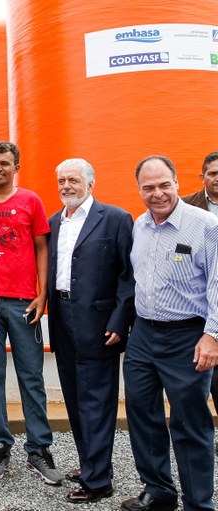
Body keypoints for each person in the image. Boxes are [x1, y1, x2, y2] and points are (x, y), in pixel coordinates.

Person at [122, 155, 218, 511]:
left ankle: (198, 504)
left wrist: (213, 335)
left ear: (177, 182)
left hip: (188, 336)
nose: (157, 193)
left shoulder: (206, 226)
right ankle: (159, 491)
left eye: (164, 185)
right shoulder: (139, 225)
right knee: (142, 415)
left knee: (190, 423)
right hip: (144, 334)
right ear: (140, 189)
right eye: (149, 187)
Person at [0, 141, 59, 485]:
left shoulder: (31, 201)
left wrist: (42, 293)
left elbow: (41, 247)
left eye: (5, 162)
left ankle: (38, 448)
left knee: (31, 376)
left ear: (16, 166)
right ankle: (0, 444)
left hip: (23, 302)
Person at [46, 159, 135, 504]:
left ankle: (99, 481)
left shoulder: (114, 219)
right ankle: (90, 464)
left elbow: (129, 275)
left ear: (90, 183)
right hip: (62, 317)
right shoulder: (54, 222)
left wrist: (119, 319)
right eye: (62, 180)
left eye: (73, 180)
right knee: (74, 395)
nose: (67, 185)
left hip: (100, 323)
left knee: (96, 400)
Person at [181, 151, 218, 424]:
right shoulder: (185, 207)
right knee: (213, 376)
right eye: (212, 173)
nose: (217, 178)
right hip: (203, 301)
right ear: (202, 176)